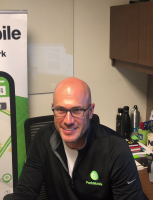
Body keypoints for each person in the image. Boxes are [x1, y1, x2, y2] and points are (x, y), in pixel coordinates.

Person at [13, 77, 145, 200]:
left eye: (77, 110)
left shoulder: (116, 148)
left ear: (91, 110)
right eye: (60, 110)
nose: (68, 120)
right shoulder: (43, 138)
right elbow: (24, 192)